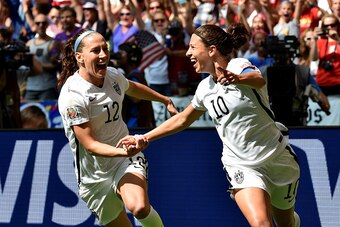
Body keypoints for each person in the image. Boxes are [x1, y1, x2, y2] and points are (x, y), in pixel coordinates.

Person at [119, 23, 301, 227]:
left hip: (277, 159)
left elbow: (257, 79)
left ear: (211, 50)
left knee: (286, 223)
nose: (188, 53)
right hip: (241, 165)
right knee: (261, 224)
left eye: (193, 47)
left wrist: (237, 78)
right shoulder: (204, 88)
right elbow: (182, 119)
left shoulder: (238, 65)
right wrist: (143, 137)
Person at [57, 29, 178, 227]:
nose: (103, 54)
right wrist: (122, 150)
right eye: (96, 50)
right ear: (79, 57)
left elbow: (131, 86)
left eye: (105, 48)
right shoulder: (73, 96)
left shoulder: (112, 75)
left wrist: (163, 99)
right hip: (93, 177)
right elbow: (90, 145)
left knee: (138, 206)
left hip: (124, 160)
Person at [114, 41, 156, 128]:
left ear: (131, 57)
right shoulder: (130, 75)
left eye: (121, 53)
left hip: (135, 124)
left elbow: (136, 98)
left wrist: (120, 78)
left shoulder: (135, 75)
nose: (117, 56)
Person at [24, 13, 59, 101]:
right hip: (30, 87)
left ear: (47, 24)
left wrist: (37, 66)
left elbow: (56, 66)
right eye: (38, 23)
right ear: (34, 25)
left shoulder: (53, 43)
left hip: (48, 88)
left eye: (43, 23)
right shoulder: (29, 44)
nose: (41, 25)